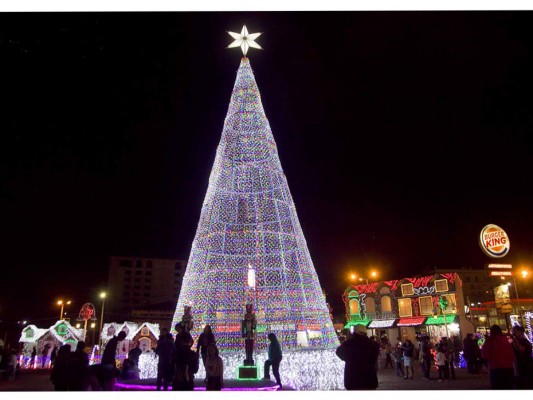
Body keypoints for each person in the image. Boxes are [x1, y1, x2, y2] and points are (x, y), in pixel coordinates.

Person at [336, 325, 379, 390]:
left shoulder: (350, 343)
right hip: (369, 379)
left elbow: (339, 351)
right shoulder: (373, 344)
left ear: (354, 333)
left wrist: (347, 358)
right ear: (365, 333)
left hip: (353, 380)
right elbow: (374, 358)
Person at [481, 324, 515, 389]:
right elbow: (511, 353)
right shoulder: (506, 340)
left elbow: (485, 354)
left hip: (495, 367)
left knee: (497, 386)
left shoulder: (490, 341)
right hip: (508, 367)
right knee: (508, 386)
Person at [511, 325, 533, 389]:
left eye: (515, 331)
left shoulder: (526, 342)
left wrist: (514, 339)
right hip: (518, 367)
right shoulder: (515, 342)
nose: (513, 333)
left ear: (520, 332)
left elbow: (521, 349)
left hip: (526, 367)